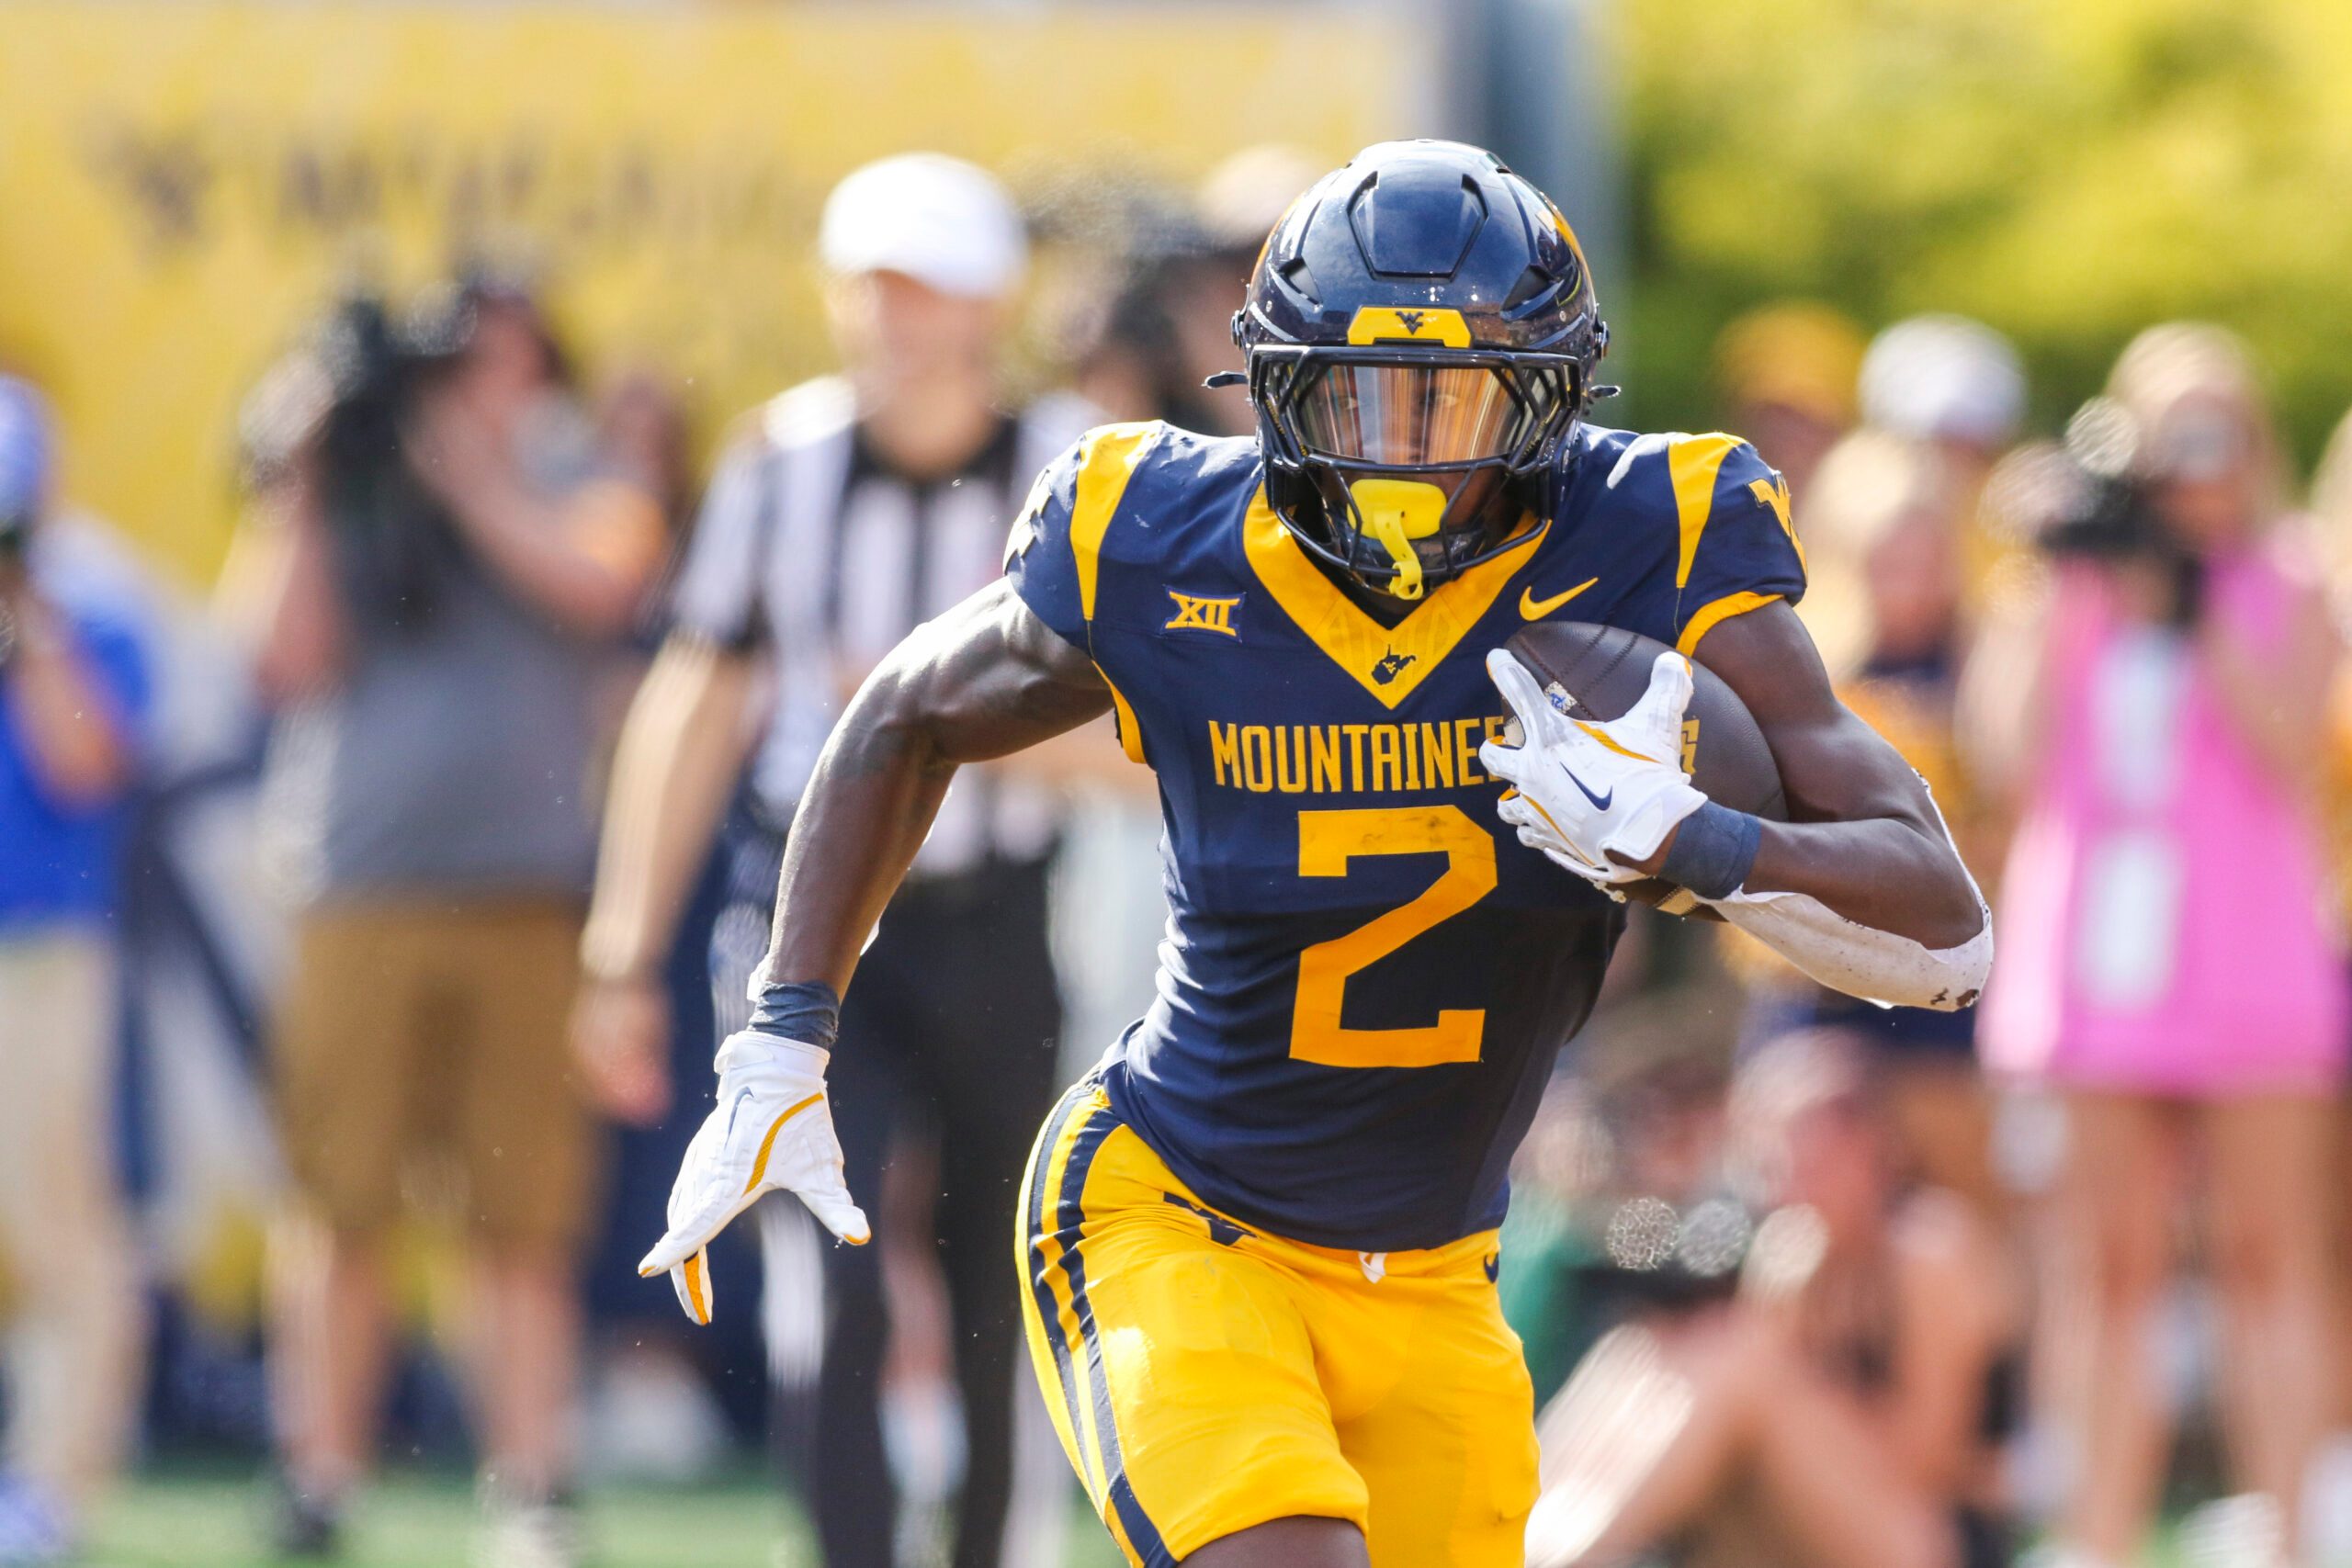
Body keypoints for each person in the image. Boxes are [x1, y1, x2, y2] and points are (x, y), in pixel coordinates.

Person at [637, 140, 1990, 1568]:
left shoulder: (1652, 528)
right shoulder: (1165, 532)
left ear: (1545, 396)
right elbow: (904, 711)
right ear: (1278, 382)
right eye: (1361, 389)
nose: (1404, 444)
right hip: (1176, 1210)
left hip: (1438, 1278)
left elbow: (1947, 929)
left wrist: (1698, 840)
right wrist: (782, 1033)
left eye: (1451, 394)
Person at [570, 153, 1095, 1568]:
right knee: (826, 1267)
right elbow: (697, 702)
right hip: (811, 929)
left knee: (998, 1283)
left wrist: (938, 721)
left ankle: (986, 1549)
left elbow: (1145, 741)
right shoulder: (780, 463)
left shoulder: (1074, 466)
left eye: (925, 287)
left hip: (996, 912)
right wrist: (622, 945)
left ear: (991, 303)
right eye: (874, 285)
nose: (896, 317)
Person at [239, 278, 664, 1564]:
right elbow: (273, 656)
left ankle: (528, 1480)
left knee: (522, 1211)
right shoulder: (358, 487)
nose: (473, 384)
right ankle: (321, 1474)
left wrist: (470, 477)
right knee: (336, 1199)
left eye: (501, 359)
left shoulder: (583, 468)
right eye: (453, 365)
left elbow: (601, 581)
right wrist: (306, 480)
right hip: (354, 884)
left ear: (544, 368)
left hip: (528, 894)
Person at [1970, 324, 2346, 1568]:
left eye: (2217, 430)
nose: (2195, 462)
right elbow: (2003, 753)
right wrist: (2045, 564)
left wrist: (2191, 604)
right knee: (2104, 1266)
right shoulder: (2078, 580)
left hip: (2246, 962)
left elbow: (2295, 740)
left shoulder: (2286, 578)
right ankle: (2099, 1537)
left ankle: (2292, 1536)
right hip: (2098, 964)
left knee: (2267, 1260)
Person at [1525, 1030, 2018, 1568]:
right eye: (1773, 1161)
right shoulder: (1796, 1253)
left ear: (1874, 1148)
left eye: (1811, 1156)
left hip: (1939, 1537)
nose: (1786, 1184)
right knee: (1650, 1347)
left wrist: (1798, 1396)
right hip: (1835, 1513)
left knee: (1745, 1363)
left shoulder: (1928, 1247)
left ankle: (1571, 1556)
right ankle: (1527, 1531)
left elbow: (1931, 1460)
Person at [0, 376, 151, 1567]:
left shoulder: (91, 600)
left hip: (40, 946)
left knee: (55, 1215)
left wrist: (28, 624)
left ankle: (55, 1479)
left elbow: (89, 762)